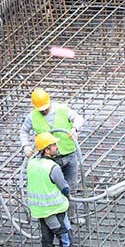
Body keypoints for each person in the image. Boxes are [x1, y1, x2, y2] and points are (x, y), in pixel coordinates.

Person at [26, 132, 86, 247]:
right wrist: (68, 194)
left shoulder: (31, 163)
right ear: (47, 150)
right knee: (66, 239)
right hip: (55, 211)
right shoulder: (53, 167)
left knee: (47, 241)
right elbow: (64, 187)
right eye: (53, 145)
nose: (56, 147)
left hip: (40, 212)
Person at [19, 88, 86, 222]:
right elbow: (23, 131)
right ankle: (55, 218)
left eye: (45, 108)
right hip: (49, 160)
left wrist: (74, 128)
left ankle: (71, 217)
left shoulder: (62, 109)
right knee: (53, 188)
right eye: (41, 109)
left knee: (70, 187)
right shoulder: (32, 116)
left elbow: (79, 118)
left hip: (69, 154)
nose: (44, 111)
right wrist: (25, 145)